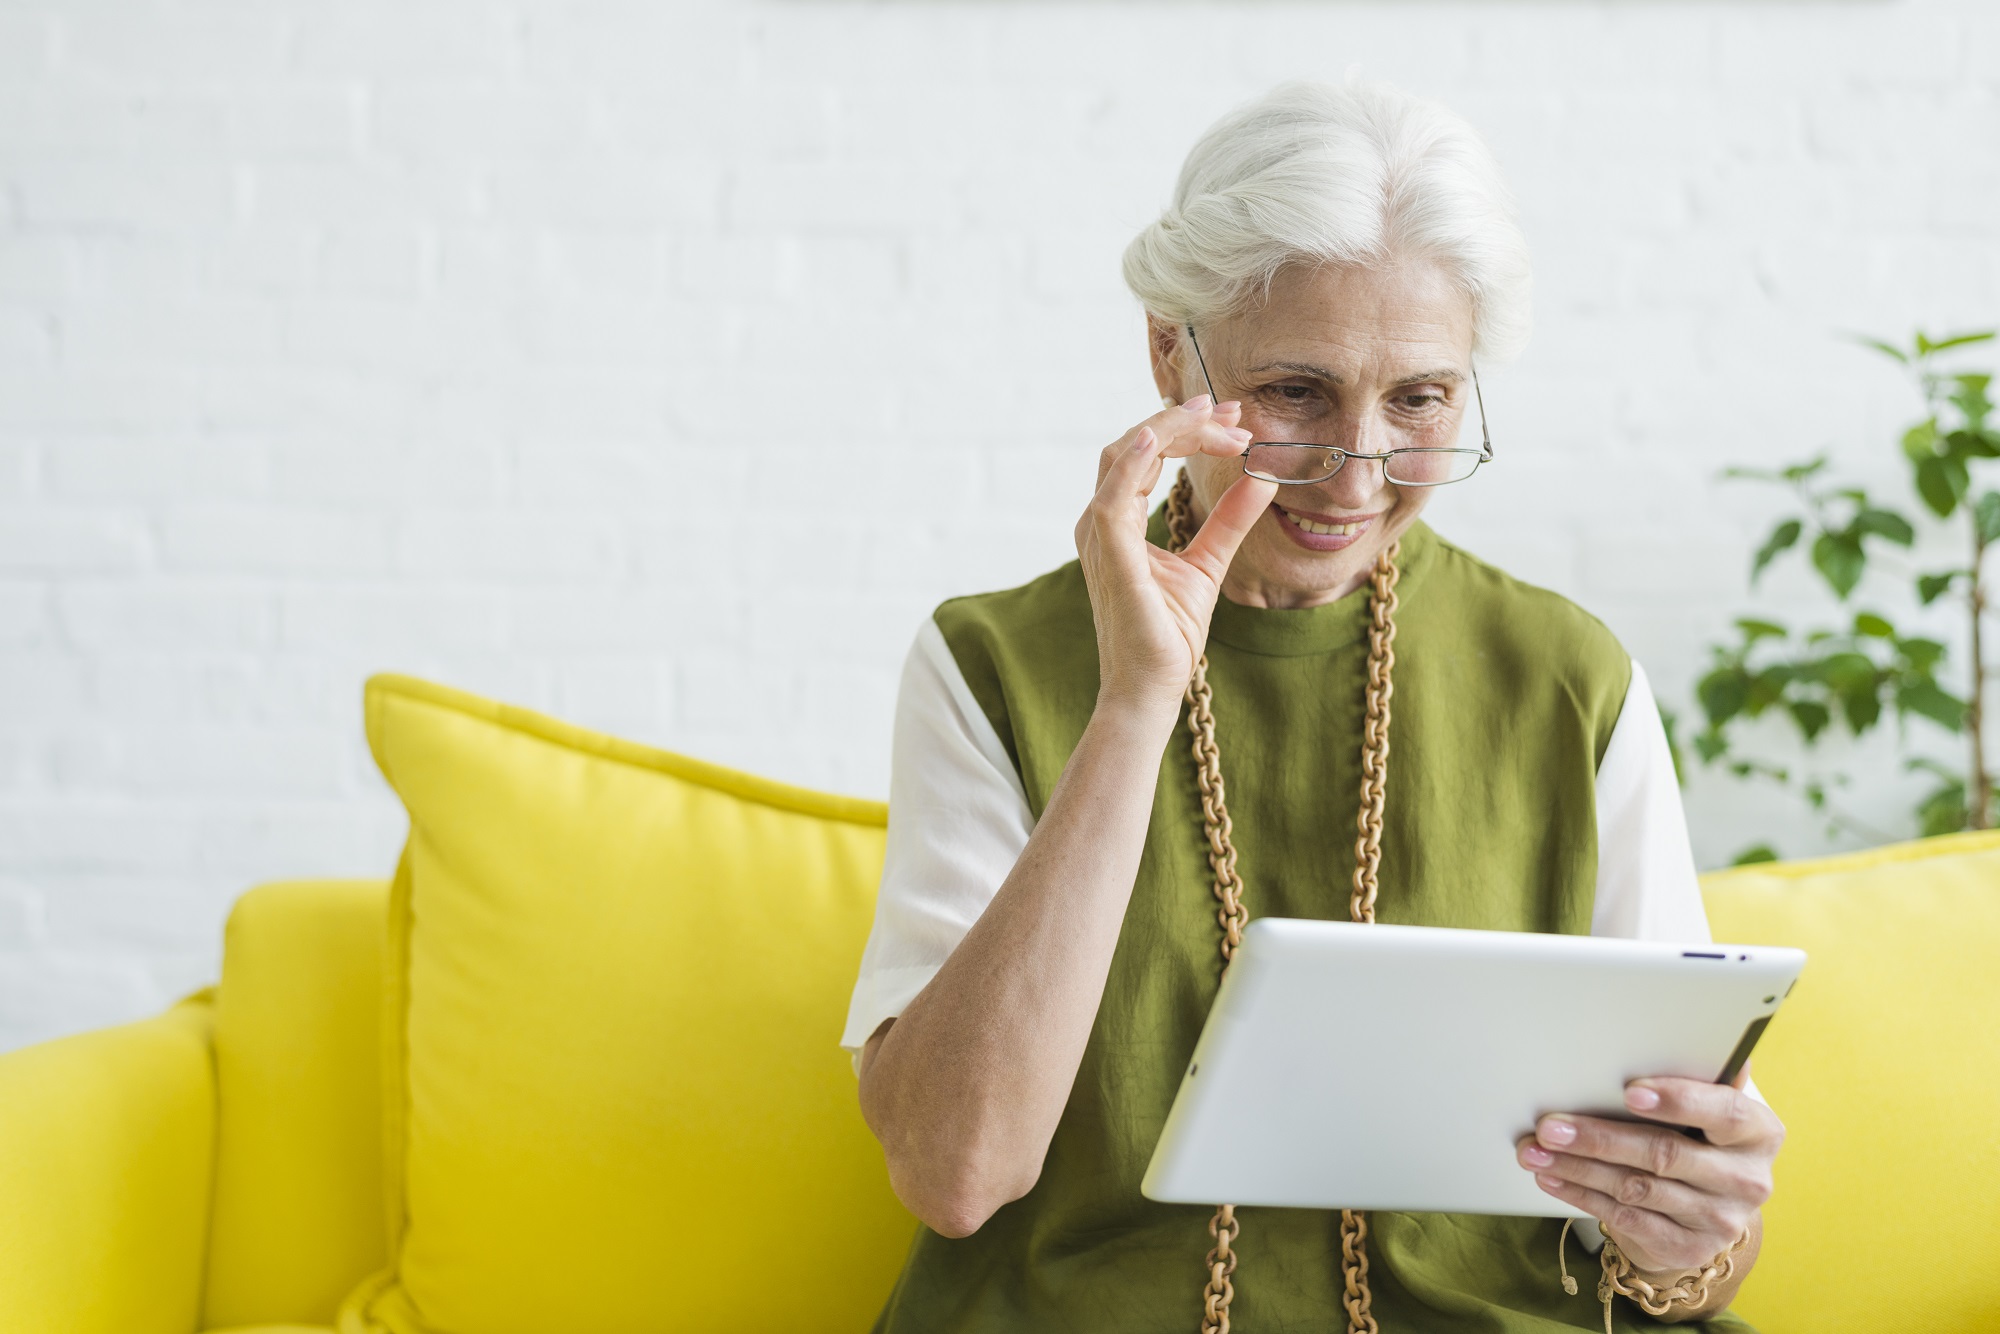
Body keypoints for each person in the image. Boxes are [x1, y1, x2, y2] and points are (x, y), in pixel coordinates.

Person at [842, 79, 1782, 1333]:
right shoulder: (992, 662)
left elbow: (1679, 1222)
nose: (1359, 467)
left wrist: (1690, 1229)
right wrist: (1132, 703)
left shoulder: (1568, 673)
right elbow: (956, 1170)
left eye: (1420, 400)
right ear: (1170, 352)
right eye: (1294, 391)